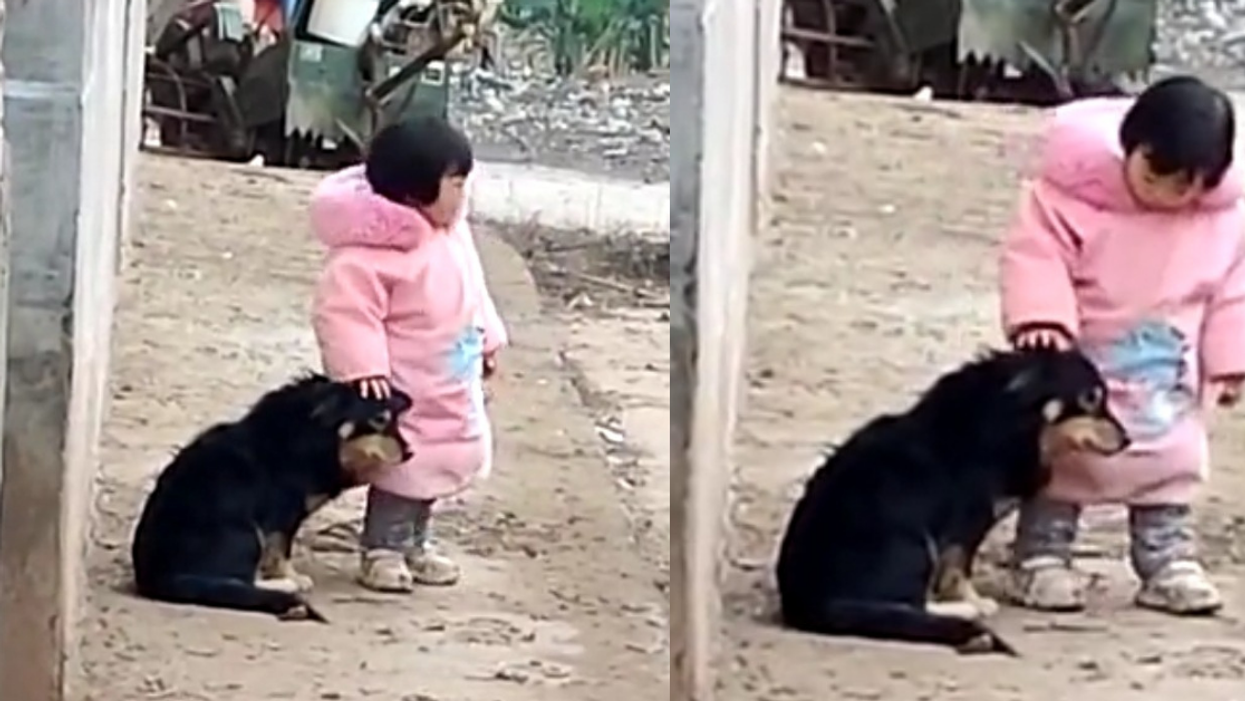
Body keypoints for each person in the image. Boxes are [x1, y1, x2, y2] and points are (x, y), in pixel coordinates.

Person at [999, 75, 1245, 615]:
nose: (1172, 196)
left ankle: (1167, 560)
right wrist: (1042, 319)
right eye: (1157, 176)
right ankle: (1041, 555)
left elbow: (1235, 290)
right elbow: (1035, 255)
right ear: (1130, 148)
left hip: (1168, 372)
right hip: (1085, 358)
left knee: (1169, 459)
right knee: (1064, 456)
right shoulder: (1071, 198)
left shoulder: (1222, 220)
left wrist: (1231, 360)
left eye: (1191, 185)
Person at [310, 116, 506, 592]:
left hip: (449, 374)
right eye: (456, 183)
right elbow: (346, 315)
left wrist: (488, 339)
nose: (463, 195)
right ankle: (382, 547)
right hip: (403, 386)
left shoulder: (452, 234)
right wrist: (363, 371)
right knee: (404, 464)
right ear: (416, 191)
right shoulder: (369, 254)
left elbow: (473, 290)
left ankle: (416, 543)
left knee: (440, 459)